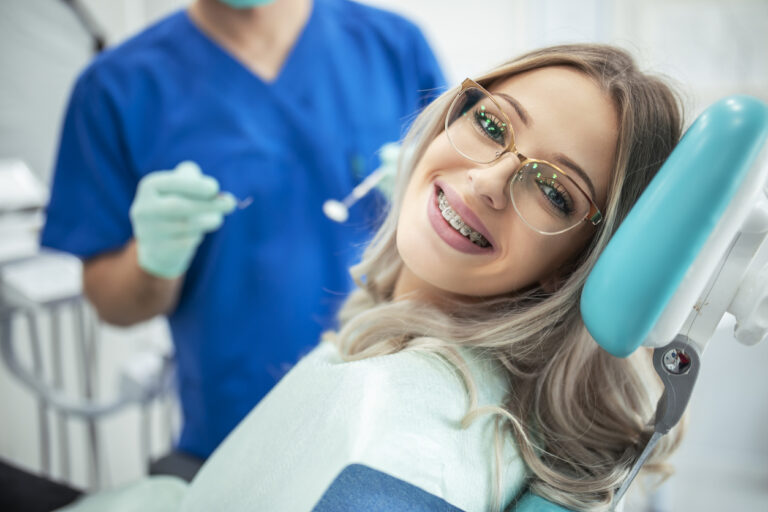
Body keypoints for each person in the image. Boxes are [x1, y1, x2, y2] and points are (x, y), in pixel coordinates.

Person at [55, 43, 685, 512]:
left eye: (553, 191)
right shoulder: (120, 82)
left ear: (577, 264)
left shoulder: (409, 433)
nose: (487, 181)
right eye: (492, 124)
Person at [40, 0, 445, 467]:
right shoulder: (117, 88)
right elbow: (112, 304)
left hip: (392, 421)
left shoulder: (393, 47)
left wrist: (430, 209)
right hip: (234, 440)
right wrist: (153, 259)